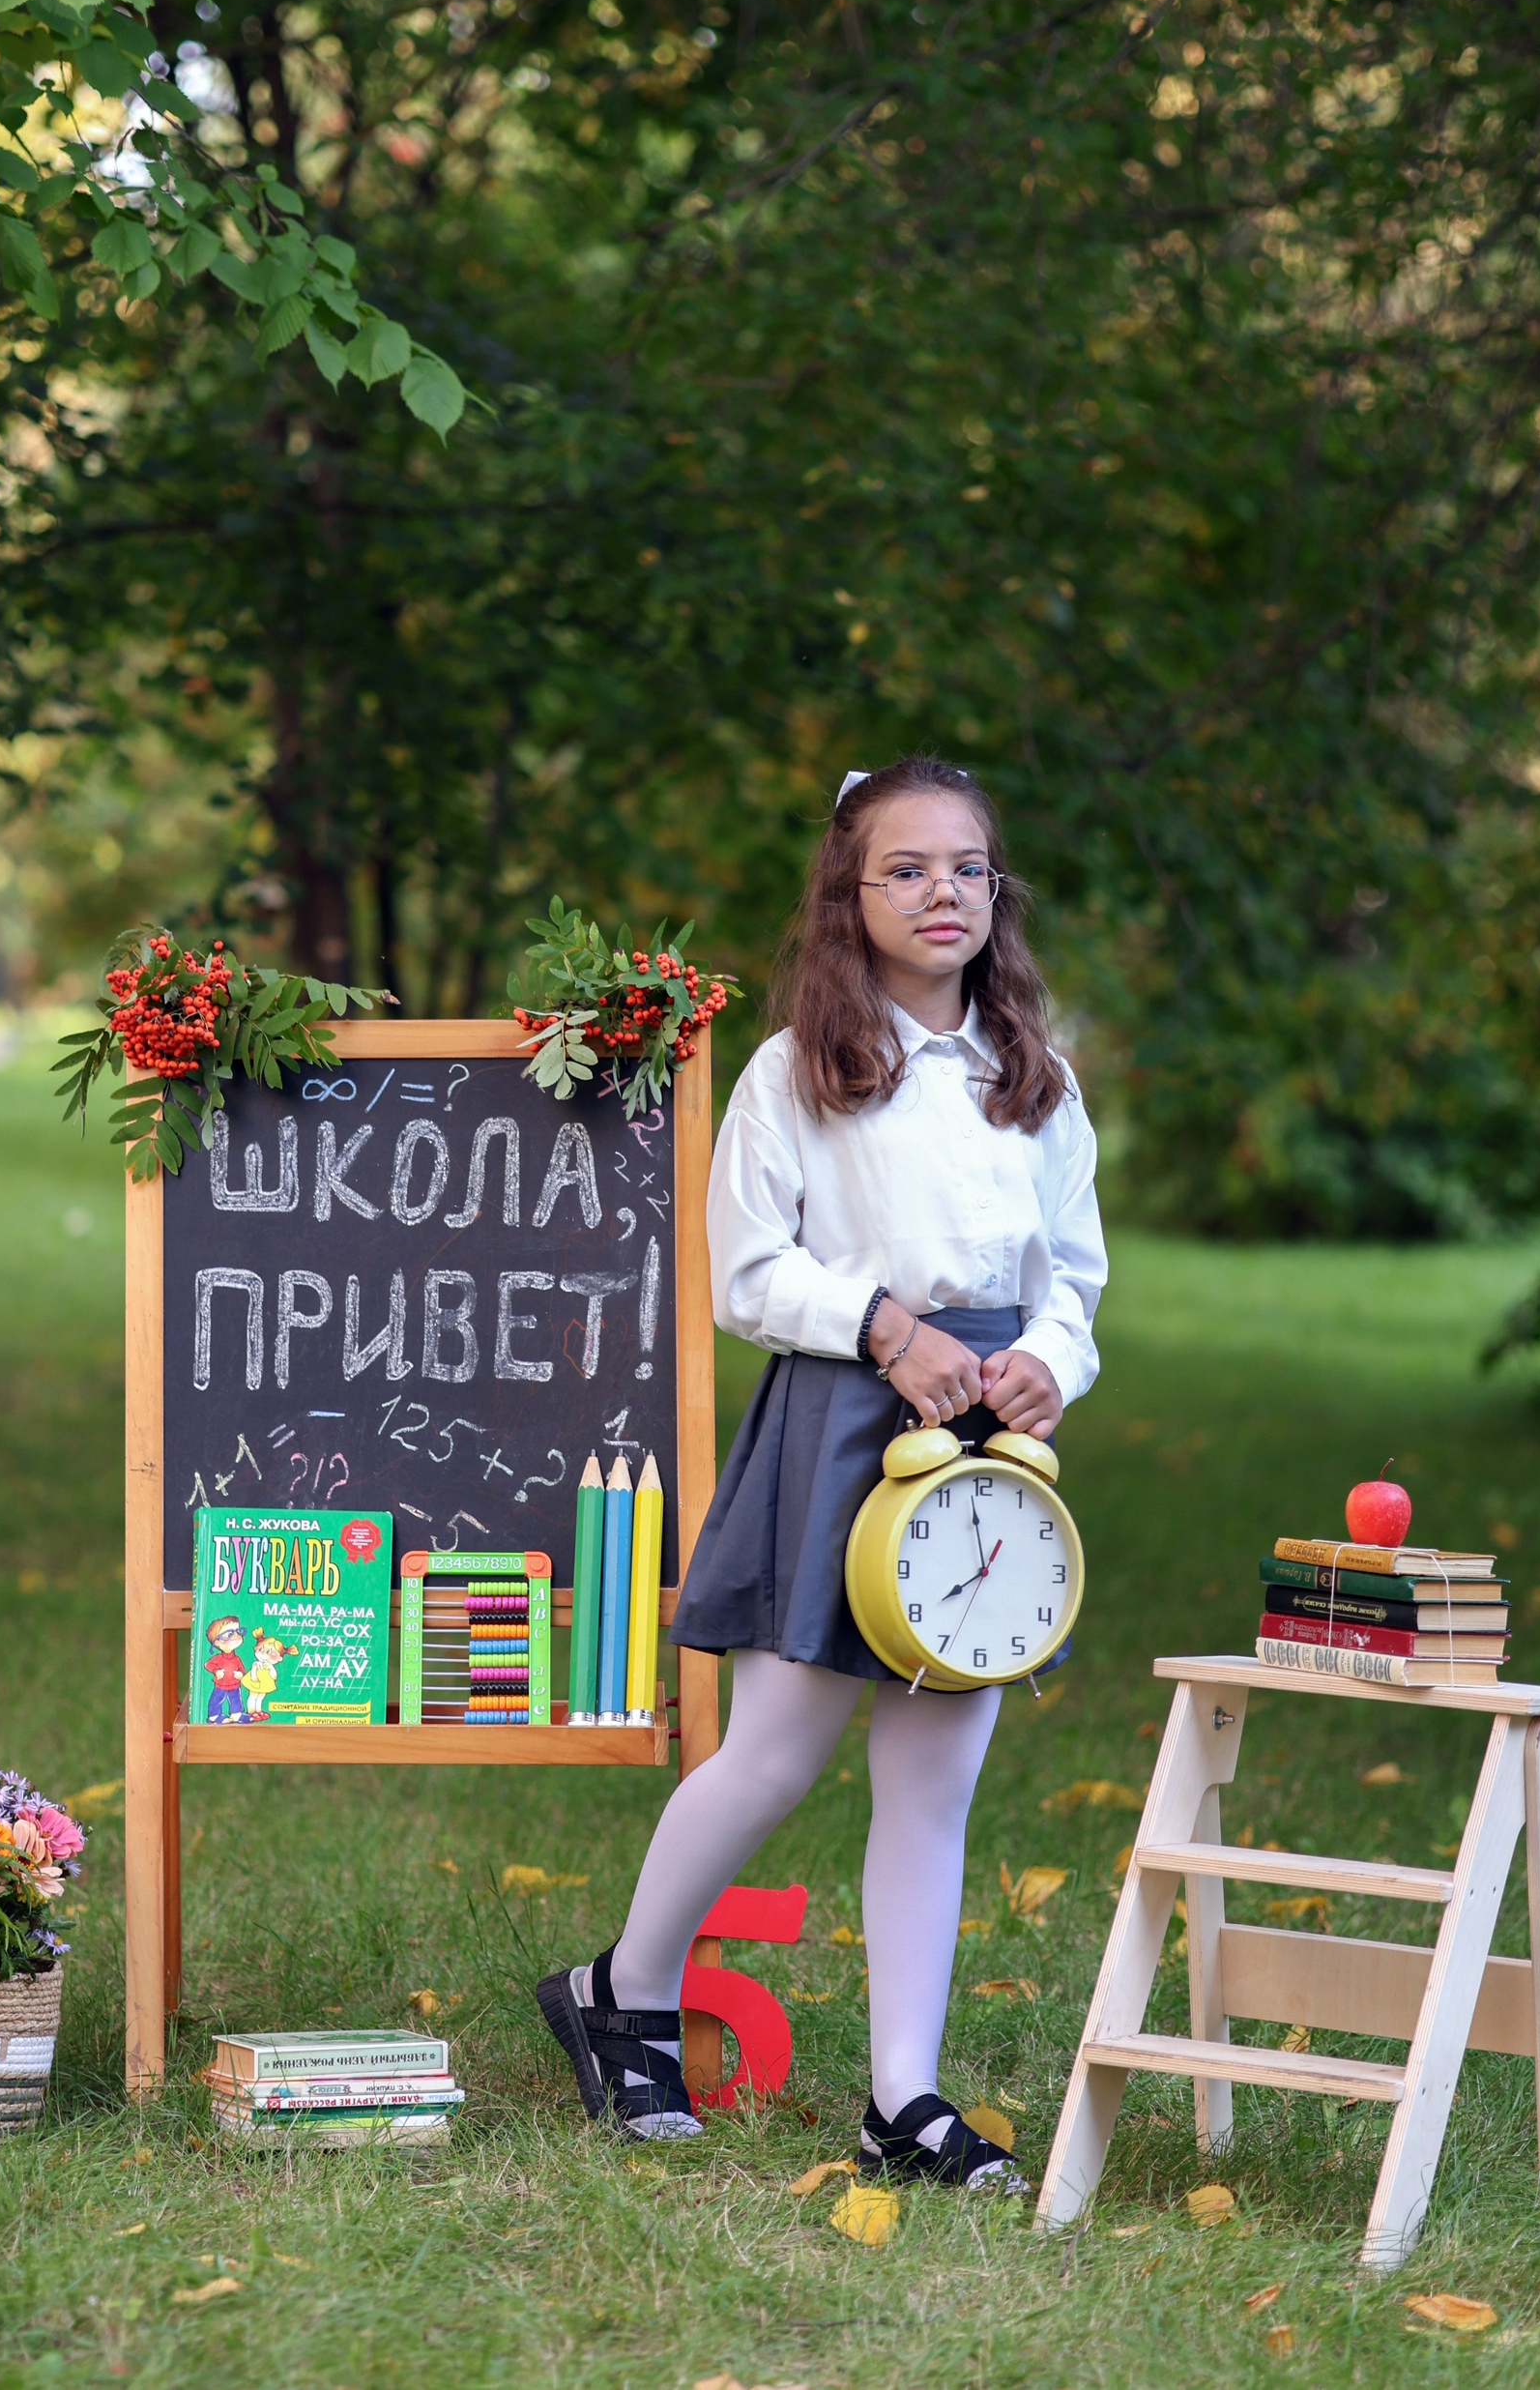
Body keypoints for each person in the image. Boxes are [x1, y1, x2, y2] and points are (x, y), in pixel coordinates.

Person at [538, 756, 1106, 2186]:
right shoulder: (799, 1069)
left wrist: (1051, 1359)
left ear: (997, 894)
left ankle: (903, 2097)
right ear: (850, 896)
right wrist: (886, 1328)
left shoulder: (1034, 1079)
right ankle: (626, 1989)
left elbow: (1075, 1279)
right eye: (905, 869)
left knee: (934, 1778)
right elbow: (746, 1269)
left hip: (983, 1448)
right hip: (847, 1416)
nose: (941, 892)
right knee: (776, 1751)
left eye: (967, 868)